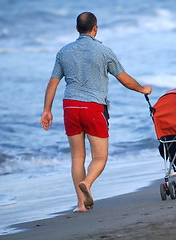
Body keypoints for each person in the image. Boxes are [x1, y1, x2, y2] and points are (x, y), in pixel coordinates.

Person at [40, 12, 152, 212]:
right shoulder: (104, 52)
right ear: (95, 28)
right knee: (99, 157)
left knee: (77, 157)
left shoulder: (64, 52)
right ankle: (88, 183)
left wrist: (46, 110)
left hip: (70, 107)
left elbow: (52, 83)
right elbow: (124, 80)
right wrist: (143, 89)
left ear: (77, 29)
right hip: (93, 107)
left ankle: (80, 205)